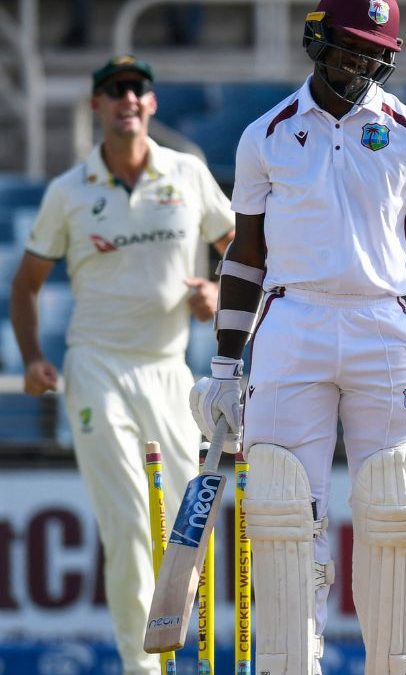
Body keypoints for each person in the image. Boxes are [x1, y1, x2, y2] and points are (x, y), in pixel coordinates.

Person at [187, 1, 406, 673]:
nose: (360, 65)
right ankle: (291, 662)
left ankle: (398, 665)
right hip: (293, 325)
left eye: (374, 54)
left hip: (383, 324)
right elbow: (246, 256)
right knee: (283, 507)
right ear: (317, 39)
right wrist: (226, 365)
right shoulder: (267, 134)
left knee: (395, 504)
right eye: (349, 48)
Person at [10, 55, 234, 675]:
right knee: (130, 522)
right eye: (114, 90)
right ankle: (142, 669)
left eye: (137, 89)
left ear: (151, 103)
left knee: (184, 526)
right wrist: (32, 358)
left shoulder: (187, 174)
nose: (126, 99)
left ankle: (188, 657)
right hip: (97, 368)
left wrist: (217, 292)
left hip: (169, 371)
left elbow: (242, 249)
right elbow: (26, 284)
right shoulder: (69, 191)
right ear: (96, 106)